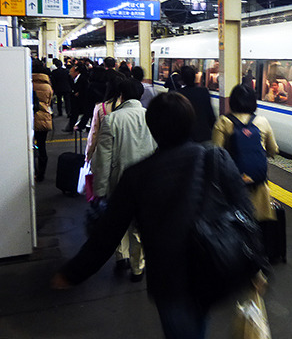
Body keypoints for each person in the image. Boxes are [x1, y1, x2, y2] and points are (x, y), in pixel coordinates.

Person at [51, 92, 253, 339]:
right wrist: (257, 266)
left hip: (171, 280)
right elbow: (245, 213)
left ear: (152, 127)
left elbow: (107, 234)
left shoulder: (137, 176)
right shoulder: (216, 156)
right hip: (214, 266)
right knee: (198, 323)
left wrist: (72, 273)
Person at [91, 78, 156, 281]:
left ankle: (122, 257)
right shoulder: (151, 117)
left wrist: (99, 191)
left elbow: (102, 159)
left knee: (119, 222)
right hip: (146, 182)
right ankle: (139, 267)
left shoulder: (112, 120)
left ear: (121, 96)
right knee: (139, 226)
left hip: (119, 181)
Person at [213, 84, 278, 217]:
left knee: (237, 225)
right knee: (259, 225)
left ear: (232, 102)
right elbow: (274, 149)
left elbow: (216, 154)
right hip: (258, 186)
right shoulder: (262, 121)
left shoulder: (223, 122)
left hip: (233, 186)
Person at [179, 65, 216, 142]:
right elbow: (210, 114)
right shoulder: (204, 91)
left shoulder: (178, 94)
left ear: (182, 79)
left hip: (186, 138)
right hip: (204, 135)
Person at [32, 60, 54, 182]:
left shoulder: (27, 83)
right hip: (44, 118)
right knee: (41, 146)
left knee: (29, 146)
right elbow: (49, 101)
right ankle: (41, 173)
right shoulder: (47, 86)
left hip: (30, 118)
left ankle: (31, 171)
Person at [63, 62, 91, 132]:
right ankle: (71, 126)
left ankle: (79, 127)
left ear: (77, 72)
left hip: (82, 101)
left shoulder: (83, 79)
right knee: (75, 114)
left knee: (84, 114)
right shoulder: (73, 79)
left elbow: (85, 89)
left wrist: (79, 93)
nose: (70, 74)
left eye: (71, 72)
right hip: (77, 101)